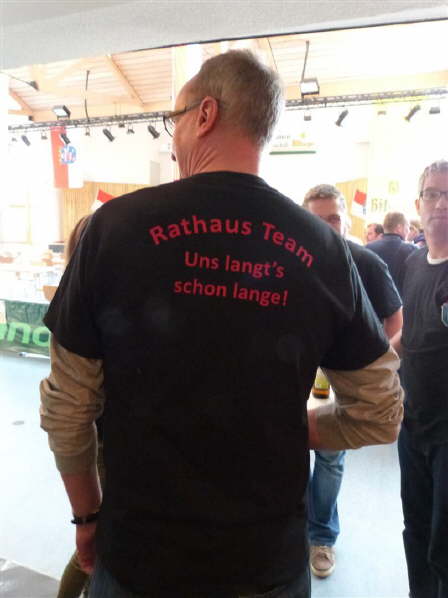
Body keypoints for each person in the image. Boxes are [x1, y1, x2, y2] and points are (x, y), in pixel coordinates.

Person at [40, 50, 403, 598]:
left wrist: (86, 517)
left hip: (141, 554)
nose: (173, 142)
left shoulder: (113, 228)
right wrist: (297, 428)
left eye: (175, 121)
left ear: (205, 114)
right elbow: (381, 413)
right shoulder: (324, 248)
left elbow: (68, 406)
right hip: (267, 563)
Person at [303, 184, 402, 578]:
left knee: (330, 459)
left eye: (333, 218)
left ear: (346, 220)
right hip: (299, 378)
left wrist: (367, 371)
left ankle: (321, 537)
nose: (327, 227)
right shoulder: (294, 263)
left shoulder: (365, 263)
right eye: (317, 220)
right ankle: (296, 531)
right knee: (292, 452)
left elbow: (395, 321)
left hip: (343, 384)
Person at [392, 159, 448, 598]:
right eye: (432, 194)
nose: (441, 204)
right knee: (415, 528)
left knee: (443, 546)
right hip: (413, 425)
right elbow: (408, 334)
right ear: (418, 205)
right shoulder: (414, 263)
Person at [56, 214, 106, 598]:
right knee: (96, 545)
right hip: (104, 438)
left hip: (106, 437)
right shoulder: (89, 303)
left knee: (97, 541)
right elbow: (69, 409)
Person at [366, 211, 417, 295]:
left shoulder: (367, 248)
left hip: (370, 300)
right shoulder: (412, 250)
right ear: (399, 228)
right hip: (399, 301)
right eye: (407, 227)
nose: (408, 231)